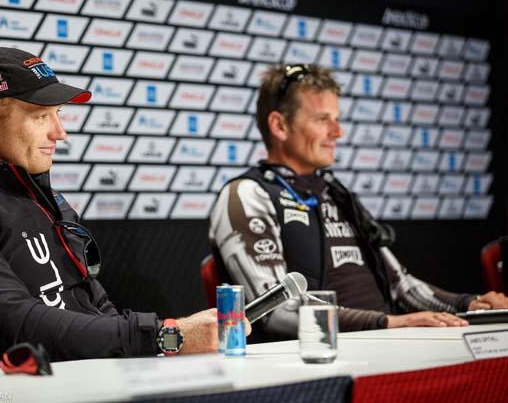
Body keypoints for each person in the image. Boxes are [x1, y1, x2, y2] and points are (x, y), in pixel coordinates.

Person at [0, 47, 246, 369]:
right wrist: (168, 335)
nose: (60, 132)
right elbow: (18, 323)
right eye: (41, 116)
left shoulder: (50, 203)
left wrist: (153, 349)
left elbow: (98, 310)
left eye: (59, 114)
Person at [209, 64, 508, 340]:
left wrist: (470, 304)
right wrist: (390, 323)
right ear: (280, 126)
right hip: (320, 362)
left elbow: (402, 286)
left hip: (387, 344)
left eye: (337, 120)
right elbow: (274, 310)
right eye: (322, 120)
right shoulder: (247, 195)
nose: (337, 132)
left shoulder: (336, 193)